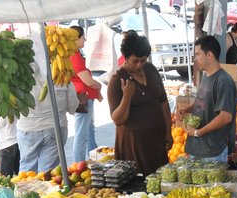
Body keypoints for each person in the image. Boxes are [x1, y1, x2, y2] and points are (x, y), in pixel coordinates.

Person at [107, 32, 171, 175]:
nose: (139, 65)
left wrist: (168, 131)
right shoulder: (117, 80)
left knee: (160, 178)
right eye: (135, 61)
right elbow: (117, 119)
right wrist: (127, 97)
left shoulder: (150, 70)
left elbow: (163, 101)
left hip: (156, 138)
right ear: (125, 57)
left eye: (143, 60)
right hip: (133, 144)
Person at [16, 26, 72, 173]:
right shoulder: (61, 73)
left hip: (28, 127)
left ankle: (26, 195)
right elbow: (72, 105)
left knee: (27, 171)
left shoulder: (19, 77)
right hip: (55, 127)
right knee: (49, 173)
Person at [181, 35, 236, 163]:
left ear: (209, 55)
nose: (195, 59)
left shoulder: (223, 81)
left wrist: (198, 132)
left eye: (198, 54)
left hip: (212, 151)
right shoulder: (206, 76)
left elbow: (225, 117)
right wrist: (187, 109)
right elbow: (203, 102)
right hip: (197, 148)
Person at [69, 25, 103, 164]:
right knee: (82, 134)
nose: (85, 40)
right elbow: (88, 81)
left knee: (89, 131)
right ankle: (78, 163)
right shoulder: (74, 56)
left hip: (86, 97)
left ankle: (93, 158)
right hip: (83, 98)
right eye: (83, 37)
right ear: (75, 39)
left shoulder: (75, 54)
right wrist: (99, 85)